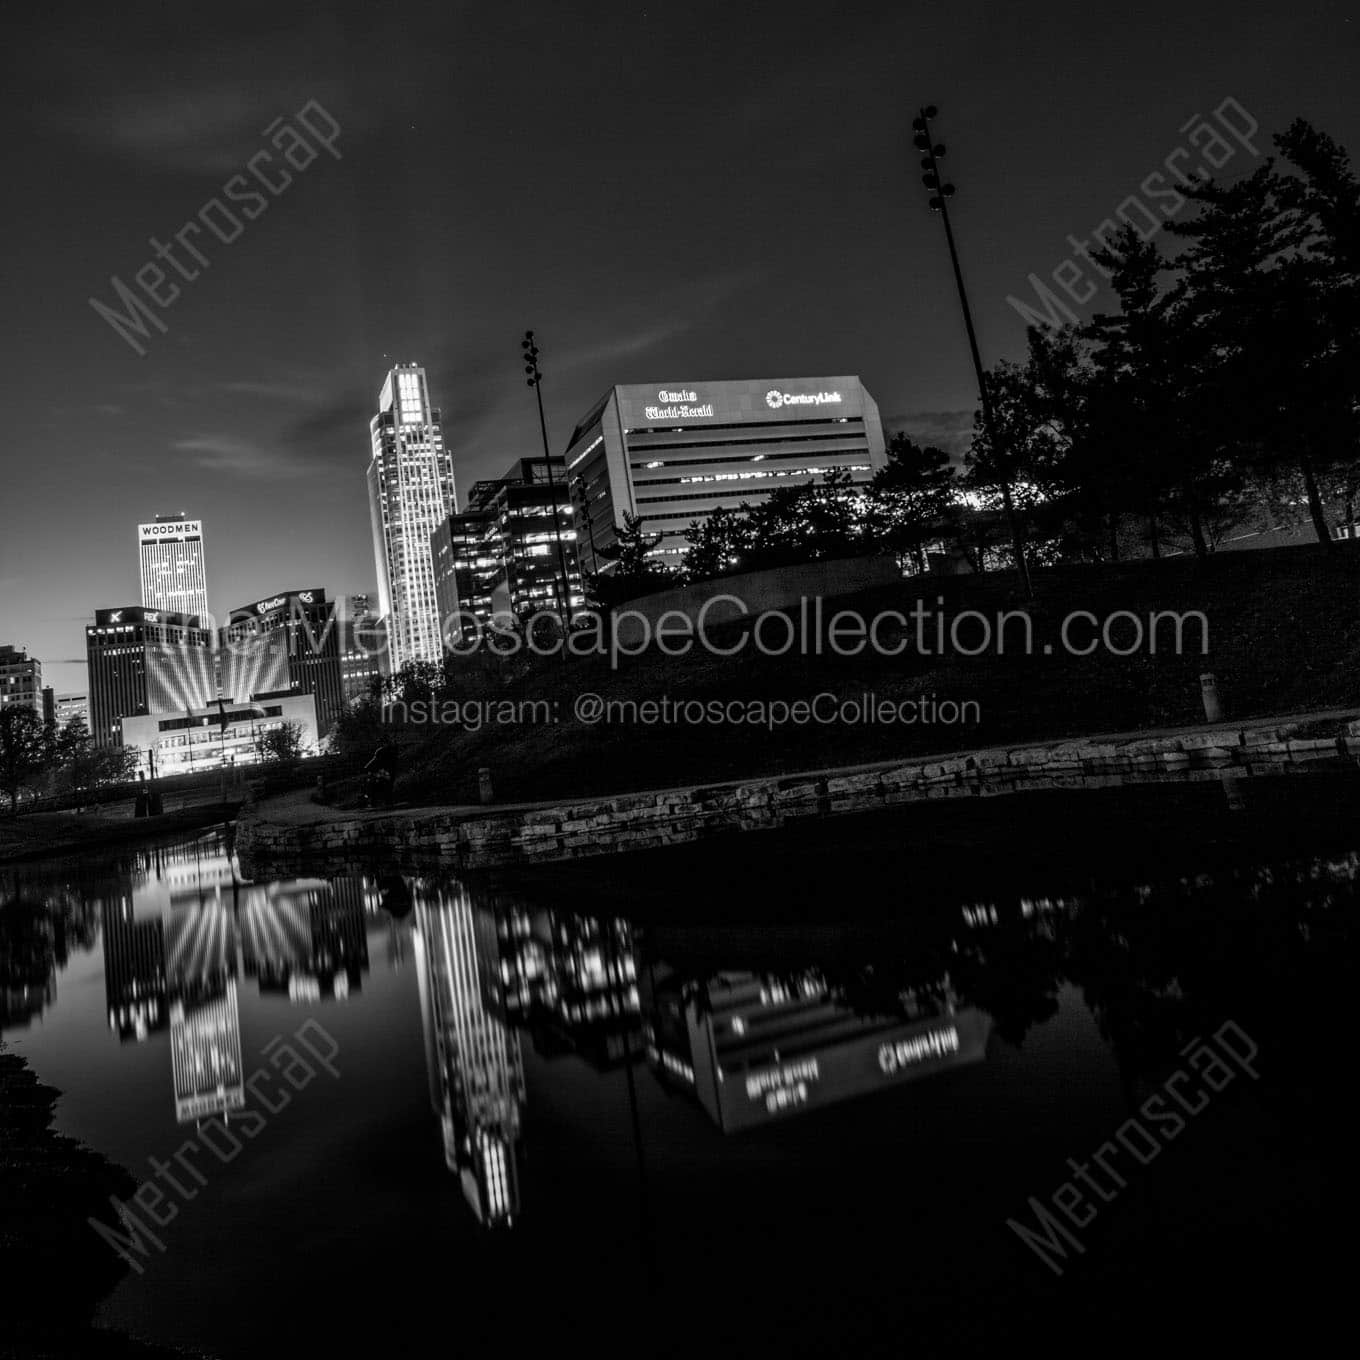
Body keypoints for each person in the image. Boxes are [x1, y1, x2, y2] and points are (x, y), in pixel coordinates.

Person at [362, 738, 399, 808]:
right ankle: (384, 801)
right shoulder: (386, 751)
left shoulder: (384, 751)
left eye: (383, 743)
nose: (382, 744)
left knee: (381, 785)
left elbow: (375, 760)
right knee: (382, 785)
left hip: (385, 771)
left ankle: (383, 801)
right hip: (385, 771)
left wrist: (367, 767)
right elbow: (374, 760)